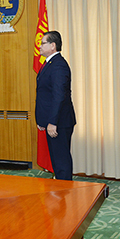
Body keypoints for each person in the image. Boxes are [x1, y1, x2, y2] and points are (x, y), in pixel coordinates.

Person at [35, 31, 76, 181]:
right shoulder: (49, 64)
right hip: (53, 121)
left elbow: (59, 96)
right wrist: (42, 120)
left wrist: (52, 122)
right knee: (57, 160)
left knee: (61, 160)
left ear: (53, 45)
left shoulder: (58, 65)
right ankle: (61, 187)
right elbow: (44, 94)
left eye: (43, 43)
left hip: (59, 122)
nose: (39, 47)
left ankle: (65, 188)